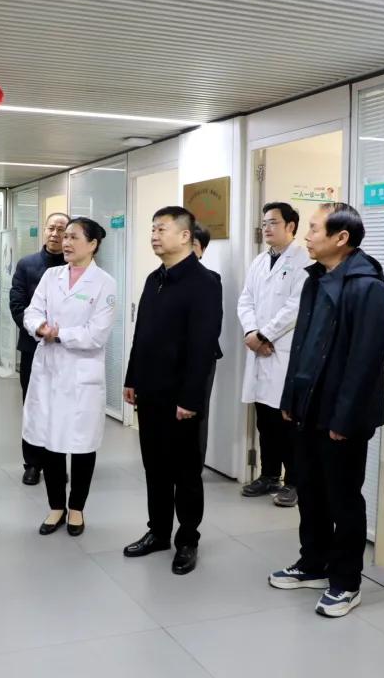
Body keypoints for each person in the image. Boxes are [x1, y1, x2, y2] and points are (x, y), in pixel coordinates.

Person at [268, 203, 384, 619]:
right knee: (310, 490)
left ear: (341, 238)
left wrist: (345, 418)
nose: (307, 235)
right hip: (309, 406)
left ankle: (346, 582)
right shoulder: (315, 279)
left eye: (315, 229)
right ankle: (313, 563)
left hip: (343, 414)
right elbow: (301, 345)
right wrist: (290, 398)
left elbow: (366, 361)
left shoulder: (367, 288)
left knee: (343, 498)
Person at [123, 206, 222, 576]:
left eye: (161, 229)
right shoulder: (155, 279)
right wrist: (132, 378)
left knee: (185, 471)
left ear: (184, 236)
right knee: (154, 466)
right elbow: (142, 334)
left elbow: (203, 346)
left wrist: (191, 399)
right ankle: (158, 531)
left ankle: (187, 539)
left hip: (181, 396)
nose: (154, 235)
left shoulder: (204, 282)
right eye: (152, 229)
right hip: (150, 390)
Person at [23, 217, 117, 536]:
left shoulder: (104, 283)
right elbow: (32, 311)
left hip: (81, 373)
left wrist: (59, 333)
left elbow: (97, 334)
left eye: (74, 237)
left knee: (81, 443)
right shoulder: (51, 276)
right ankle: (55, 507)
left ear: (92, 244)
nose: (65, 242)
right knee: (50, 441)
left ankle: (76, 508)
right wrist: (39, 327)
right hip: (49, 369)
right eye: (65, 236)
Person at [236, 202, 311, 508]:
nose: (267, 227)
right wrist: (252, 333)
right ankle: (269, 475)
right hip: (260, 347)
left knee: (287, 421)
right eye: (264, 222)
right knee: (265, 420)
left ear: (291, 226)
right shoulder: (259, 261)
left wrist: (264, 335)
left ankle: (294, 481)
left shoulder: (303, 260)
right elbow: (245, 300)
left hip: (283, 350)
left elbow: (295, 307)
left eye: (273, 222)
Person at [9, 212, 69, 485]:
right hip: (33, 347)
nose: (55, 234)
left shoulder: (74, 265)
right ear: (44, 230)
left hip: (66, 348)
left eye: (61, 229)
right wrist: (39, 330)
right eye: (51, 228)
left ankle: (57, 461)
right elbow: (17, 305)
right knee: (33, 404)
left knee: (61, 406)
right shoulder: (27, 264)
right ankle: (32, 463)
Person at [190, 224, 224, 460]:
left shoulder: (211, 280)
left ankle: (194, 464)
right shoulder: (160, 278)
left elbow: (213, 325)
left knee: (197, 412)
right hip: (169, 360)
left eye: (193, 245)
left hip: (201, 358)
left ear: (202, 250)